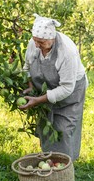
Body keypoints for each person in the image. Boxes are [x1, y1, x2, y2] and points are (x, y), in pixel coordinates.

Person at [19, 13, 88, 162]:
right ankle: (49, 161)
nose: (37, 45)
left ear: (52, 39)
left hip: (71, 92)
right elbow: (26, 67)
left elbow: (66, 88)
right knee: (47, 126)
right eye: (35, 41)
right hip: (48, 88)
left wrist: (38, 100)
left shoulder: (66, 52)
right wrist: (31, 86)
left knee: (64, 129)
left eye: (41, 42)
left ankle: (65, 166)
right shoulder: (35, 42)